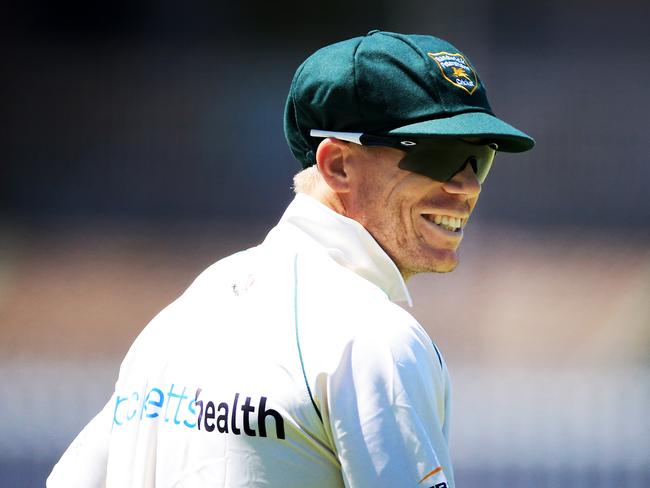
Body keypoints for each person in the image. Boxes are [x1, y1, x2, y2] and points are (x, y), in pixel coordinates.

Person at [48, 30, 533, 488]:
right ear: (338, 164)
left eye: (480, 158)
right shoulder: (375, 338)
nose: (466, 186)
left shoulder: (181, 318)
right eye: (437, 156)